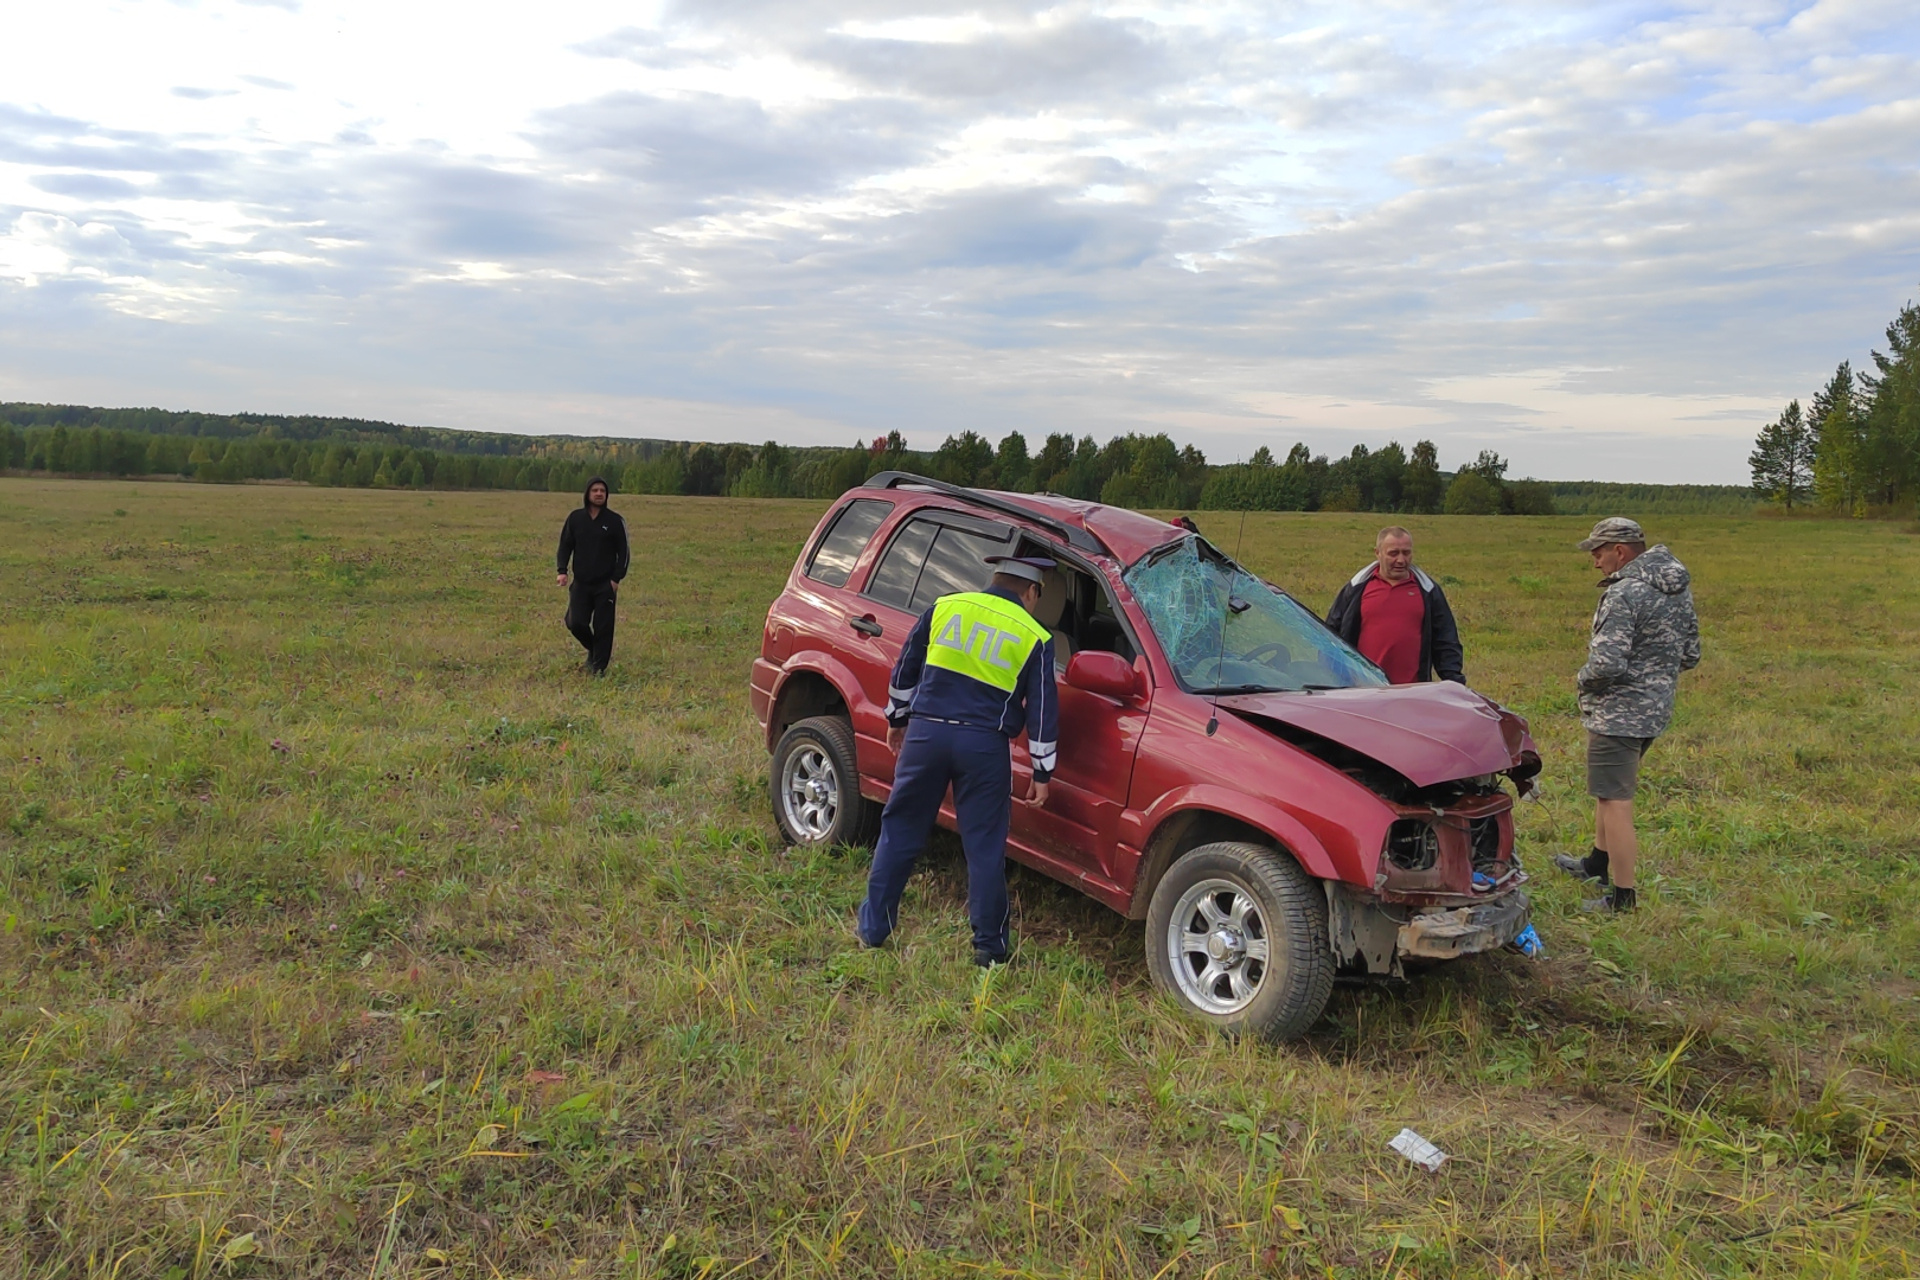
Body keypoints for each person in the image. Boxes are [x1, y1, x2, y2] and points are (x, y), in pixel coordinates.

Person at [858, 555, 1060, 967]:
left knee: (899, 832)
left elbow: (905, 670)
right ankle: (989, 950)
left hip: (926, 734)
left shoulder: (944, 607)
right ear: (1031, 591)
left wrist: (897, 720)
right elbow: (1042, 709)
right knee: (984, 848)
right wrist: (1042, 769)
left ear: (994, 580)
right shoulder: (1035, 635)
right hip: (983, 745)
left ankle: (873, 931)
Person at [1552, 517, 1700, 913]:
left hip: (1617, 715)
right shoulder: (1677, 587)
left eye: (1598, 553)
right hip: (1655, 710)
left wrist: (1582, 681)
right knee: (1608, 791)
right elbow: (1691, 654)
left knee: (1616, 802)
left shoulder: (1624, 594)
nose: (1595, 562)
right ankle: (1595, 864)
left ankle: (1622, 897)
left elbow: (1607, 664)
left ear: (1620, 551)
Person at [1324, 526, 1465, 684]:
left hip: (1412, 690)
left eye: (1406, 553)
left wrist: (1454, 681)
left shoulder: (1428, 591)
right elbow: (1330, 635)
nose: (1401, 560)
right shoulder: (1356, 589)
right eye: (1393, 553)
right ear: (1377, 553)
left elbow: (1445, 640)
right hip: (1364, 688)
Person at [555, 476, 629, 675]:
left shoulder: (614, 521)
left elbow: (624, 552)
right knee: (575, 622)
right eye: (595, 490)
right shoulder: (576, 518)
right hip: (581, 583)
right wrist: (562, 571)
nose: (599, 494)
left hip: (605, 584)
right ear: (587, 494)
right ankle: (594, 649)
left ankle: (598, 668)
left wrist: (615, 579)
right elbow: (565, 546)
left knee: (603, 627)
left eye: (602, 491)